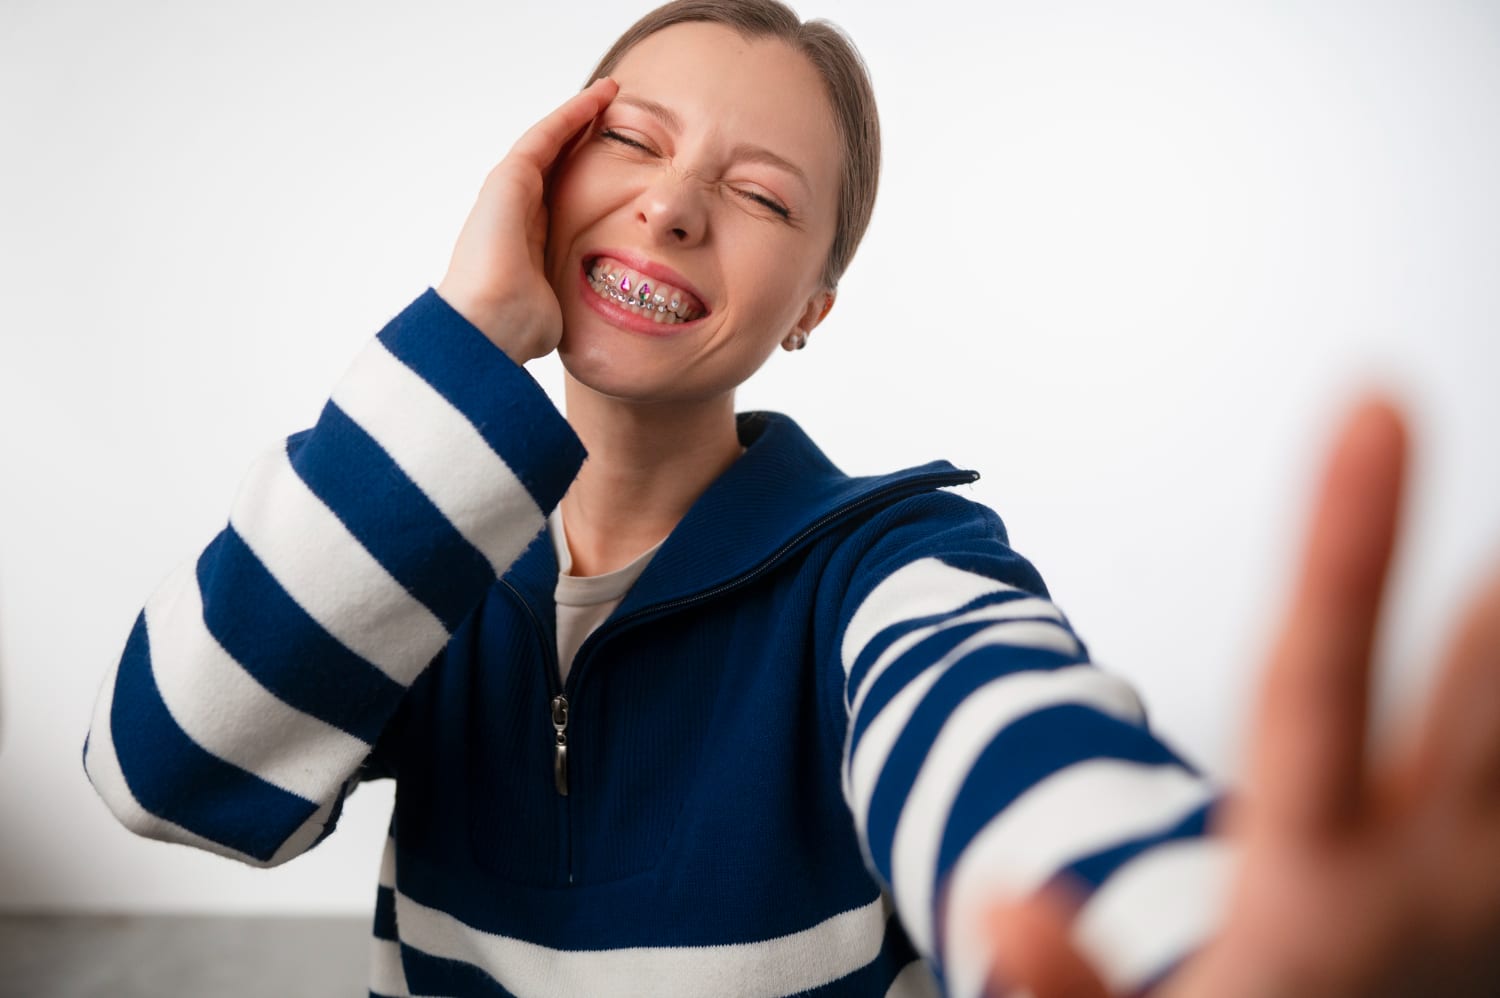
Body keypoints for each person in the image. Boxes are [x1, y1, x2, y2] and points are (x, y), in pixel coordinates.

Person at [82, 1, 1500, 996]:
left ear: (813, 304)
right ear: (546, 175)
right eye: (632, 142)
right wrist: (469, 327)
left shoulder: (887, 568)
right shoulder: (407, 544)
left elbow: (1002, 736)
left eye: (761, 197)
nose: (673, 206)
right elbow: (162, 769)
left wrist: (1180, 934)